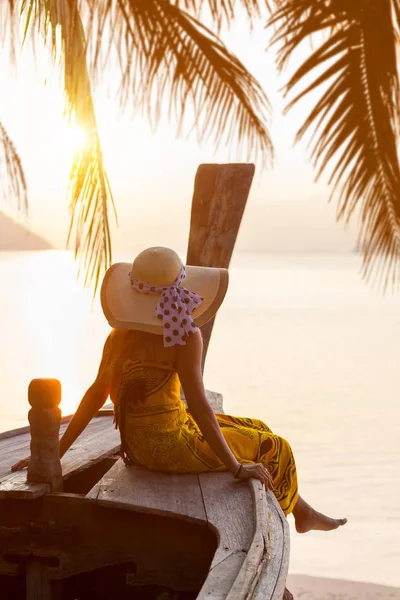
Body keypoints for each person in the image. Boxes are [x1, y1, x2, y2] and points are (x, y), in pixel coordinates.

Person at [12, 247, 347, 599]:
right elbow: (200, 407)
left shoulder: (120, 338)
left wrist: (57, 452)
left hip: (137, 448)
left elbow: (94, 395)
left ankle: (302, 509)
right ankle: (286, 530)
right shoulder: (185, 335)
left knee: (257, 425)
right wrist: (236, 468)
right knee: (274, 447)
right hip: (170, 447)